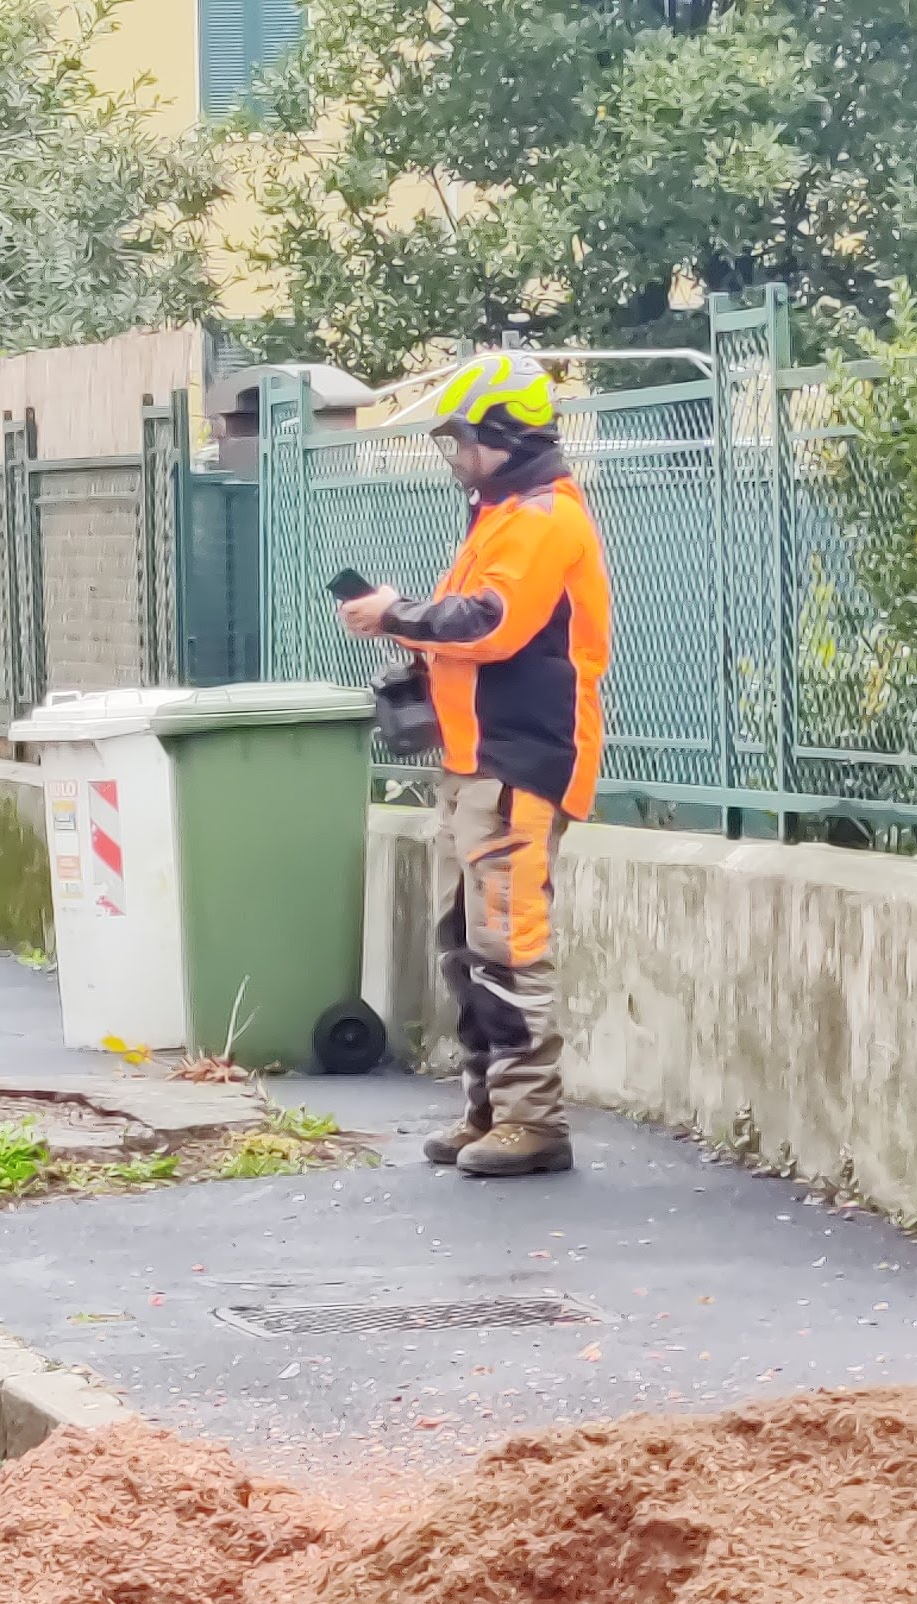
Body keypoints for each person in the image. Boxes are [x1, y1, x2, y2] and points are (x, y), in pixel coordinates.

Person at [334, 352, 610, 1178]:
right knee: (466, 942)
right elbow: (467, 625)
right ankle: (490, 1108)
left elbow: (488, 624)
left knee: (509, 943)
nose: (451, 456)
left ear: (498, 433)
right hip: (476, 762)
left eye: (458, 439)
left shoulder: (540, 519)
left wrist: (392, 615)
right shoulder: (500, 517)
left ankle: (534, 1121)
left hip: (517, 762)